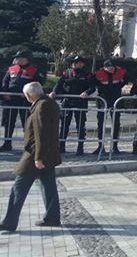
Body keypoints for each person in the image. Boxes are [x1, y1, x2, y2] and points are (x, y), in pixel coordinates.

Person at [0, 82, 61, 233]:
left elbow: (42, 134)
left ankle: (9, 222)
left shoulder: (41, 106)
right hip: (48, 153)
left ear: (29, 95)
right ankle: (52, 217)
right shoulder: (48, 102)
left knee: (18, 189)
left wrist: (38, 158)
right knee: (48, 187)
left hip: (36, 154)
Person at [50, 56, 95, 156]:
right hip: (67, 102)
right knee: (64, 125)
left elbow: (92, 87)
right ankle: (61, 146)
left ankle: (80, 147)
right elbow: (59, 84)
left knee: (80, 126)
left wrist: (86, 92)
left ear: (82, 64)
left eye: (78, 62)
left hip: (80, 102)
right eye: (74, 62)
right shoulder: (67, 73)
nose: (75, 64)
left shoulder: (87, 74)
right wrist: (54, 92)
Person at [1, 50, 45, 151]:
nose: (16, 59)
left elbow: (38, 84)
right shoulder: (11, 68)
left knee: (27, 124)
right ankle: (7, 143)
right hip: (10, 100)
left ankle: (29, 144)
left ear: (25, 59)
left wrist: (28, 95)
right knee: (8, 122)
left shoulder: (33, 70)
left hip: (25, 101)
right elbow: (5, 82)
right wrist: (5, 93)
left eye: (19, 57)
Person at [92, 59, 127, 155]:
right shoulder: (98, 74)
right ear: (104, 68)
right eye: (109, 68)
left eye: (113, 68)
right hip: (103, 101)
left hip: (115, 101)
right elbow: (93, 84)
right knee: (101, 124)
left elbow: (125, 81)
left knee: (116, 124)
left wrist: (118, 87)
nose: (111, 69)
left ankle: (115, 146)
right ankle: (100, 146)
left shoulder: (121, 72)